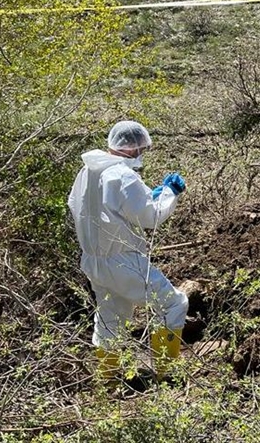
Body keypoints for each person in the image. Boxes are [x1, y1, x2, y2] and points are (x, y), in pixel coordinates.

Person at [68, 120, 189, 380]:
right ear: (134, 149)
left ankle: (108, 381)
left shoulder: (87, 172)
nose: (141, 154)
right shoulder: (123, 175)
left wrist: (148, 195)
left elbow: (79, 207)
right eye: (141, 149)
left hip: (93, 261)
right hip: (123, 262)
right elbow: (150, 217)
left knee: (110, 318)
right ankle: (167, 376)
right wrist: (170, 193)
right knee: (174, 304)